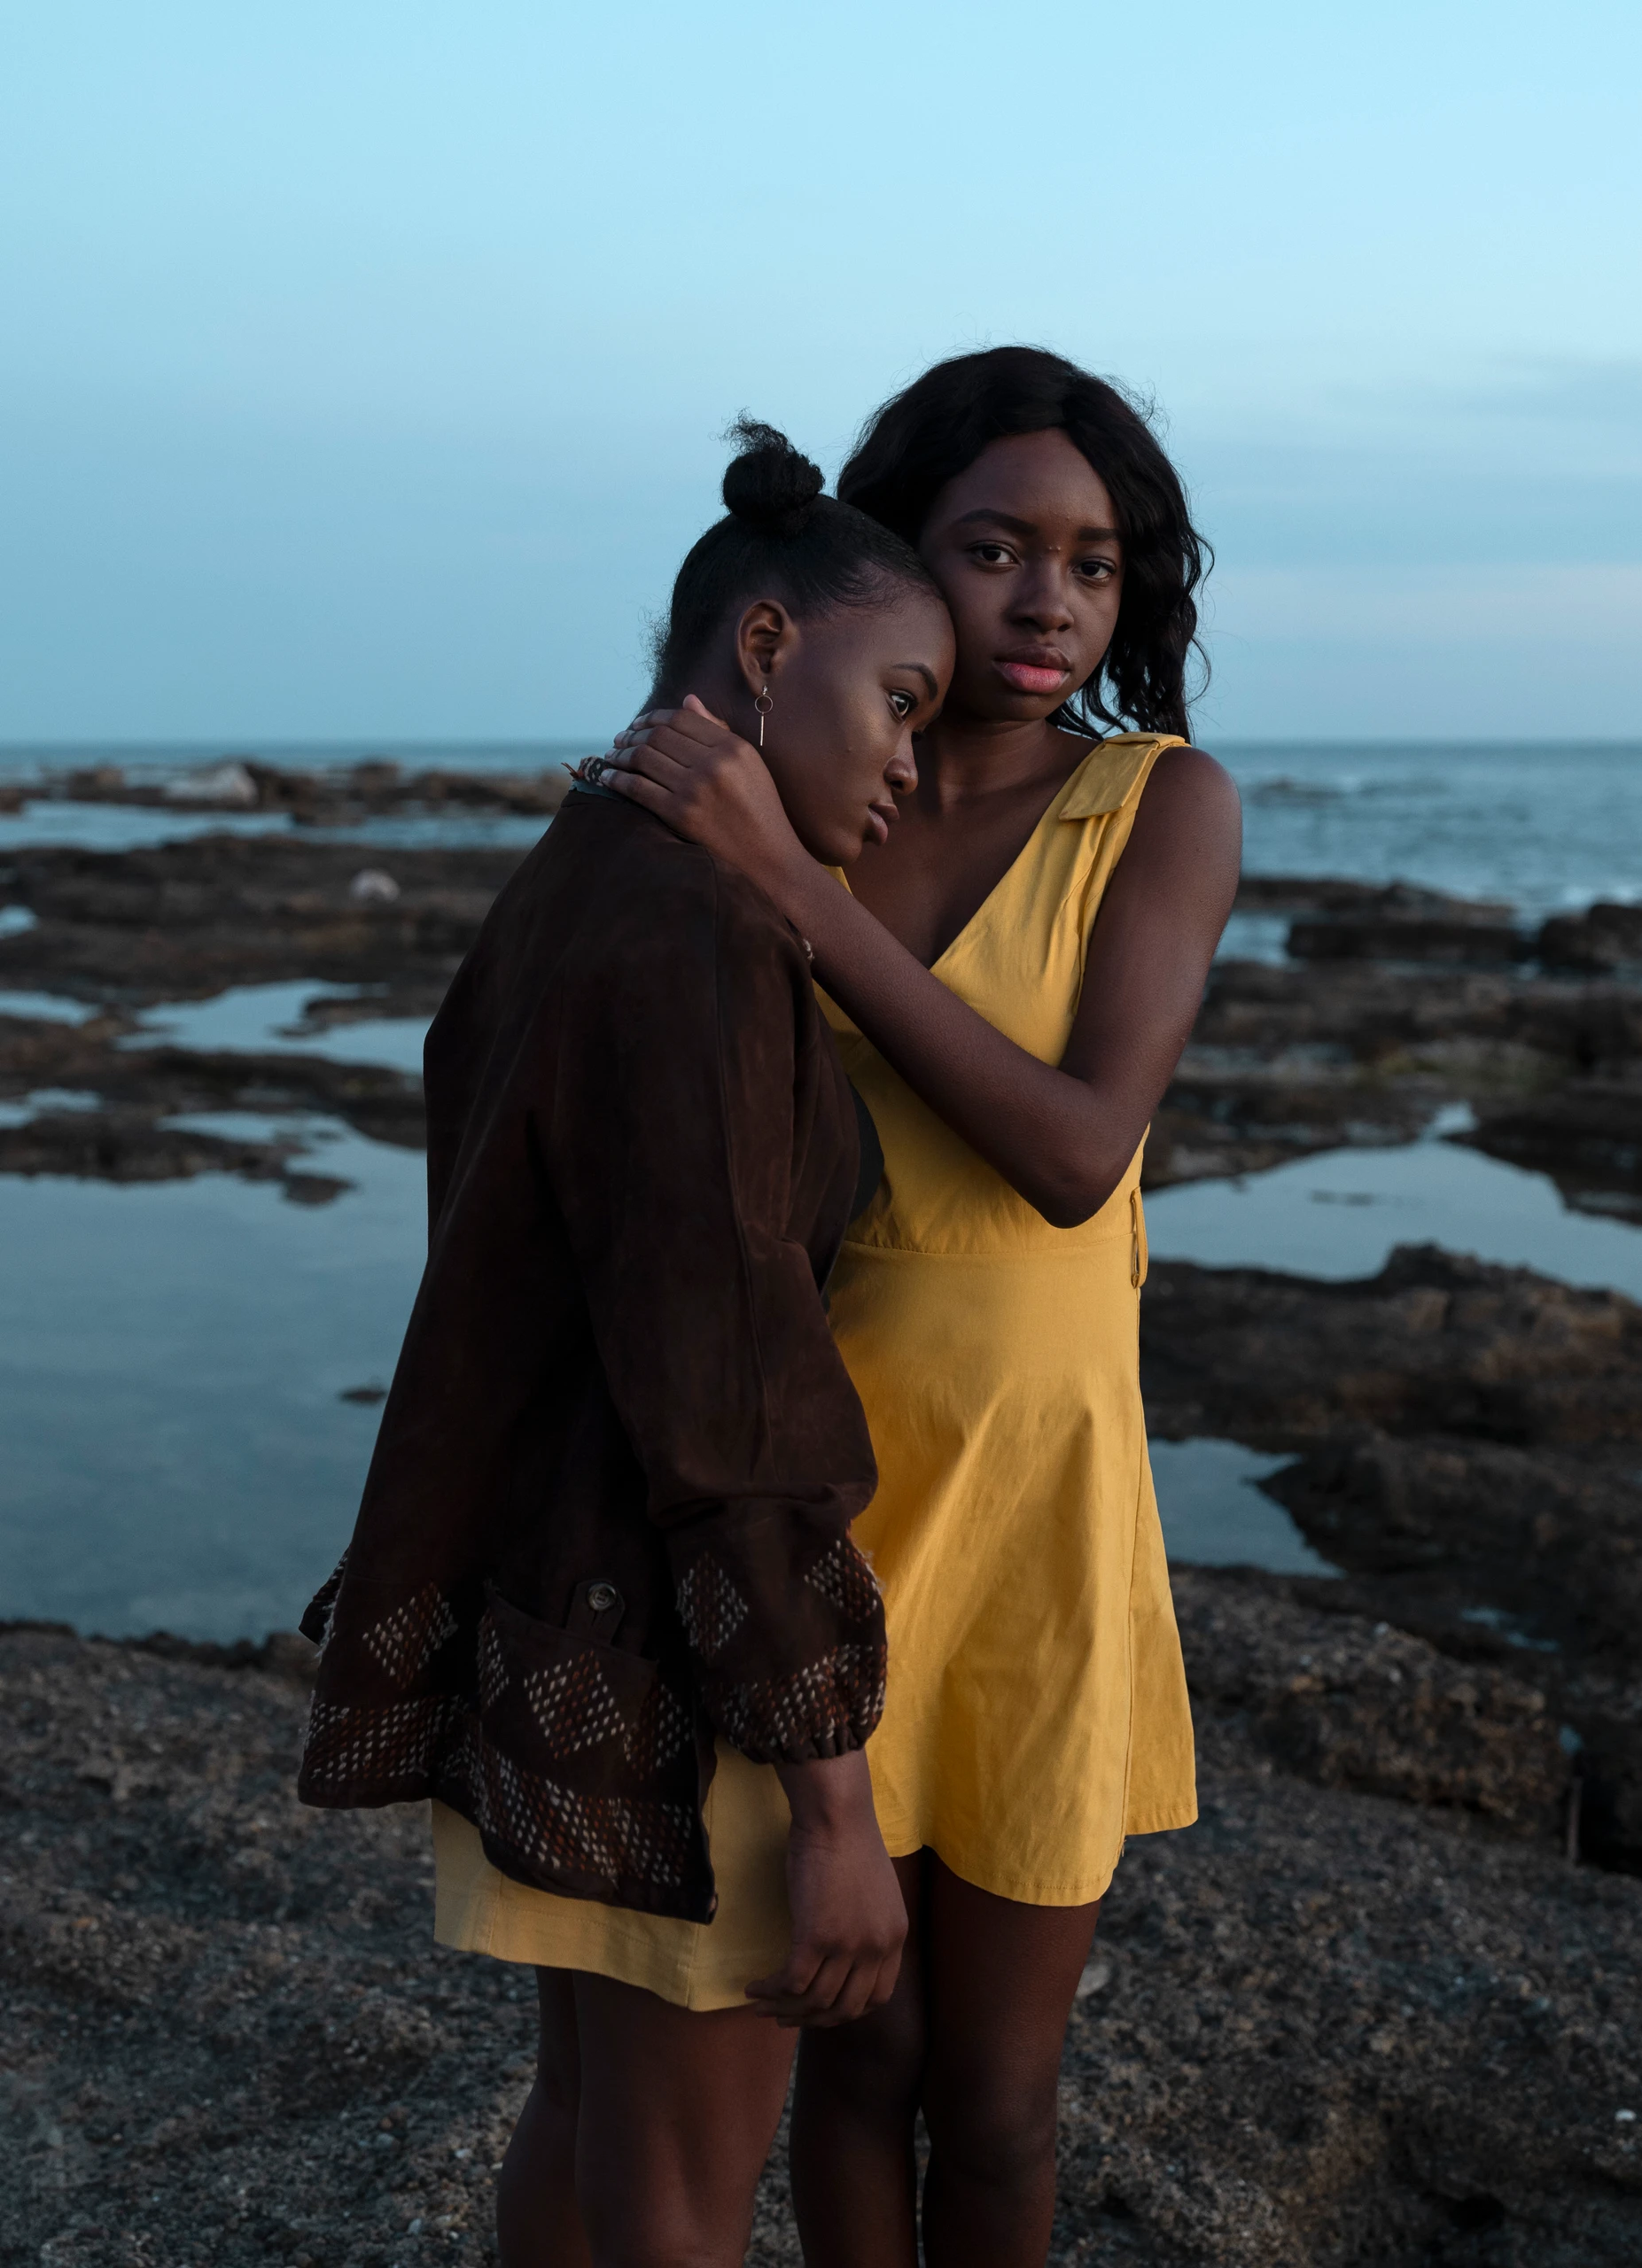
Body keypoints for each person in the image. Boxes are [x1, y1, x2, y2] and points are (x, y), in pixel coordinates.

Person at [601, 346, 1242, 2267]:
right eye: (997, 548)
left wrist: (797, 899)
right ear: (901, 550)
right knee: (854, 2060)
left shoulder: (1160, 806)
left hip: (1039, 1502)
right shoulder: (815, 791)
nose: (1051, 602)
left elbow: (1077, 1151)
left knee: (1004, 2091)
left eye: (1097, 564)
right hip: (817, 1498)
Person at [295, 421, 954, 2268]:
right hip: (671, 1665)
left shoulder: (575, 870)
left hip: (551, 1616)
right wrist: (832, 1796)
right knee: (672, 2200)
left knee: (586, 2129)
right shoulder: (695, 933)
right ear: (766, 644)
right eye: (899, 701)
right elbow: (726, 1385)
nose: (909, 763)